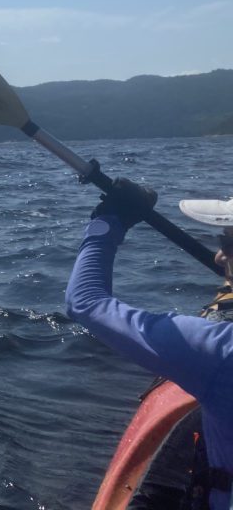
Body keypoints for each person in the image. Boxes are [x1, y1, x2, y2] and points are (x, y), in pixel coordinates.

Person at [65, 177, 233, 510]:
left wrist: (109, 220)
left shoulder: (217, 349)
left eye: (228, 243)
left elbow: (85, 301)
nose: (217, 257)